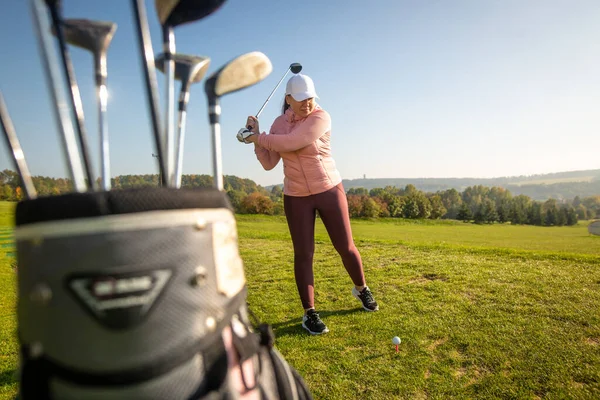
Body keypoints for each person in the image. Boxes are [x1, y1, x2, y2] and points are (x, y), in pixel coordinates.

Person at [243, 73, 379, 335]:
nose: (308, 103)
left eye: (311, 98)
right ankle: (310, 313)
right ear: (288, 99)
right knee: (303, 254)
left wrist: (257, 138)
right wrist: (256, 137)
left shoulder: (320, 117)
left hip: (328, 189)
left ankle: (362, 289)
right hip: (296, 195)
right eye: (302, 99)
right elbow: (270, 162)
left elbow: (294, 142)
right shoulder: (277, 124)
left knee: (346, 247)